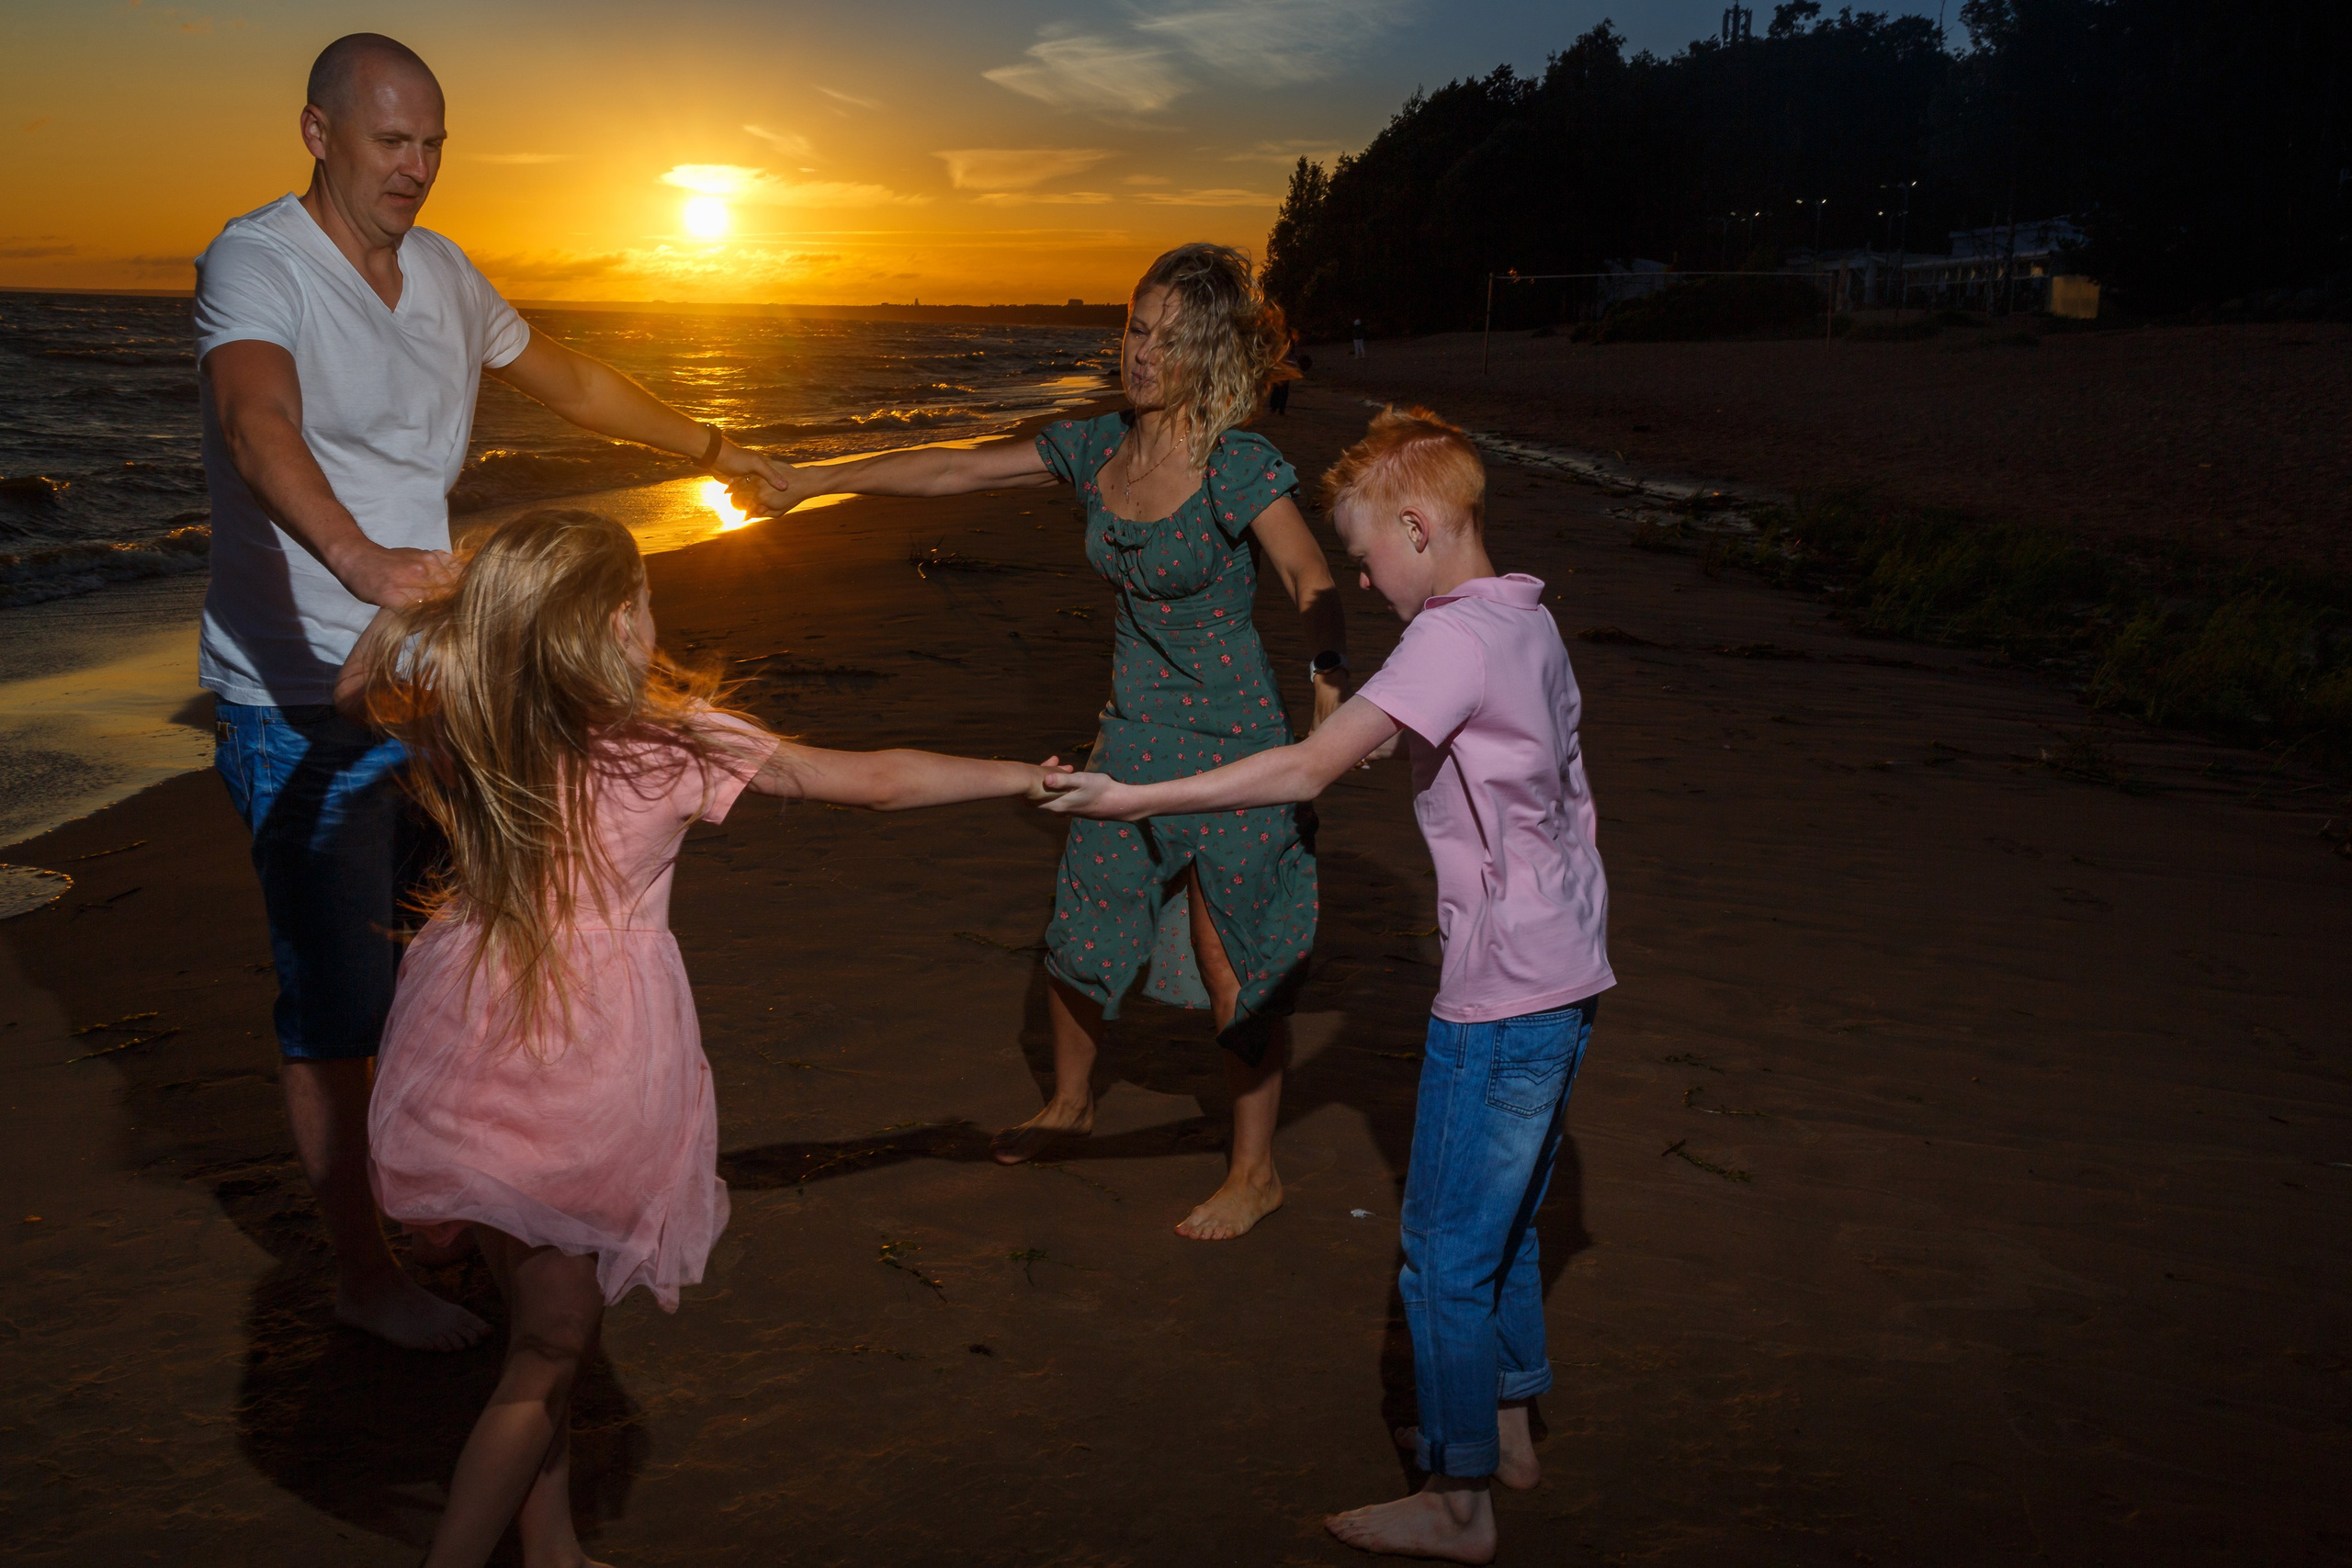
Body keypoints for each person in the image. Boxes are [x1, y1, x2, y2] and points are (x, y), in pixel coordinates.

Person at [194, 33, 792, 1349]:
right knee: (340, 1006)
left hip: (441, 692)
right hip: (299, 703)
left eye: (433, 145)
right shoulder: (259, 262)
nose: (415, 168)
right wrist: (359, 560)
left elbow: (566, 376)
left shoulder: (448, 277)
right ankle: (364, 1271)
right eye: (389, 141)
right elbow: (255, 422)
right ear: (318, 133)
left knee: (457, 958)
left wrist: (711, 442)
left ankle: (445, 1198)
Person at [338, 508, 1069, 1568]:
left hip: (471, 1028)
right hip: (584, 1058)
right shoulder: (672, 740)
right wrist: (1022, 777)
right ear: (614, 620)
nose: (651, 618)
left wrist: (422, 593)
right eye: (643, 599)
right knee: (550, 1344)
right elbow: (870, 782)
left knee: (546, 1324)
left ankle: (552, 1550)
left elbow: (355, 693)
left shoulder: (481, 712)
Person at [1041, 406, 1613, 1563]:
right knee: (1503, 1226)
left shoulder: (1448, 643)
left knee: (1441, 1252)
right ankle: (1505, 1432)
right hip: (1568, 973)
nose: (1356, 575)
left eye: (1365, 550)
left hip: (1502, 992)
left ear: (1420, 526)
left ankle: (1457, 1501)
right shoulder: (1524, 617)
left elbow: (1308, 770)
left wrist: (1129, 796)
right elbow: (1421, 746)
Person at [743, 243, 1340, 1241]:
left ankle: (1255, 1171)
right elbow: (954, 467)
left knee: (1229, 953)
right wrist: (811, 478)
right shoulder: (1097, 447)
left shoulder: (1235, 465)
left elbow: (1308, 575)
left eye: (1168, 339)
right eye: (1135, 328)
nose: (1141, 353)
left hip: (1237, 741)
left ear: (1208, 355)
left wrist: (1329, 683)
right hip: (1131, 731)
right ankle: (1069, 1103)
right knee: (1083, 922)